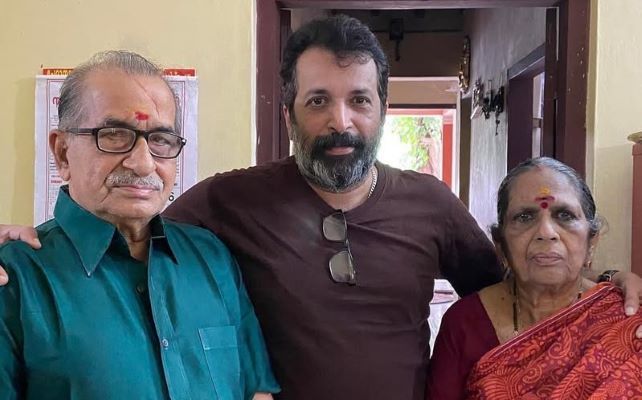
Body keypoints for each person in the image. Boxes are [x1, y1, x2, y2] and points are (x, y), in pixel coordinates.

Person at [1, 16, 642, 400]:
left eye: (359, 100)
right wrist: (25, 238)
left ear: (382, 111)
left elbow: (517, 301)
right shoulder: (227, 202)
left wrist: (611, 288)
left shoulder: (430, 203)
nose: (341, 121)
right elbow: (128, 219)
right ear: (289, 114)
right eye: (318, 101)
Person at [0, 51, 278, 399]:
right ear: (62, 152)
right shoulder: (14, 279)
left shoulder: (211, 258)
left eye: (161, 139)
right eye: (114, 134)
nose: (144, 163)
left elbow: (256, 392)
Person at [426, 157, 642, 399]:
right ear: (501, 245)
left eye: (564, 215)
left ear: (591, 242)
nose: (546, 233)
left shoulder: (626, 318)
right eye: (525, 217)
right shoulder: (464, 323)